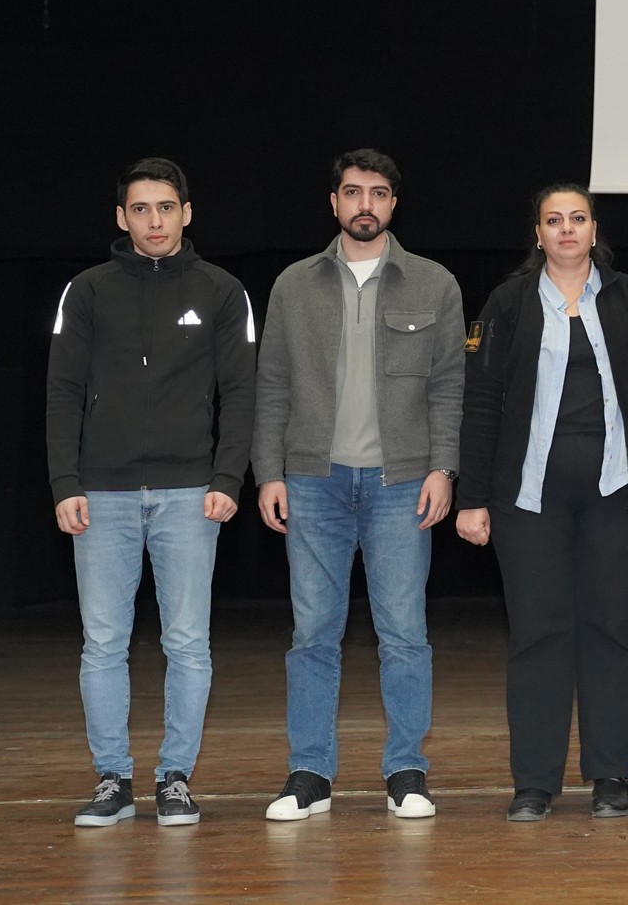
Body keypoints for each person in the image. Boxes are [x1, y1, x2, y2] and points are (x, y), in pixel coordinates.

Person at [252, 149, 464, 821]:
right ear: (334, 202)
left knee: (404, 632)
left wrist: (443, 468)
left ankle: (407, 770)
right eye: (352, 192)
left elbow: (448, 386)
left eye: (376, 192)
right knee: (313, 632)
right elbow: (272, 384)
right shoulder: (293, 284)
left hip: (402, 482)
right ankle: (310, 772)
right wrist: (269, 472)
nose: (364, 203)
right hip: (313, 480)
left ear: (393, 203)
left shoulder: (434, 283)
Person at [46, 156, 256, 827]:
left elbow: (242, 393)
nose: (154, 220)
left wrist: (227, 477)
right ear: (122, 217)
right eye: (140, 209)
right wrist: (64, 482)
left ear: (186, 213)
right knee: (103, 643)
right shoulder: (87, 291)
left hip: (190, 493)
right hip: (100, 494)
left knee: (187, 642)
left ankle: (175, 778)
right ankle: (112, 779)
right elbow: (62, 393)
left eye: (166, 207)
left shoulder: (222, 291)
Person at [455, 184, 628, 822]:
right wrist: (472, 497)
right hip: (528, 497)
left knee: (612, 630)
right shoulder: (508, 303)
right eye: (554, 220)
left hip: (619, 492)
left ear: (595, 230)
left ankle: (610, 776)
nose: (567, 229)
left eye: (578, 219)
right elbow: (481, 400)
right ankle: (534, 782)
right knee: (538, 633)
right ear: (539, 233)